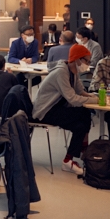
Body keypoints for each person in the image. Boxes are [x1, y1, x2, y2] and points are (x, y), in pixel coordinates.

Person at [32, 44, 98, 175]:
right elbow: (72, 98)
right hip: (45, 111)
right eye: (86, 61)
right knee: (83, 114)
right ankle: (81, 151)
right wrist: (95, 101)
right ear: (78, 59)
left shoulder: (73, 71)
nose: (88, 65)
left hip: (57, 108)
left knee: (80, 125)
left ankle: (69, 159)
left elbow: (80, 91)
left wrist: (94, 96)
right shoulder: (61, 72)